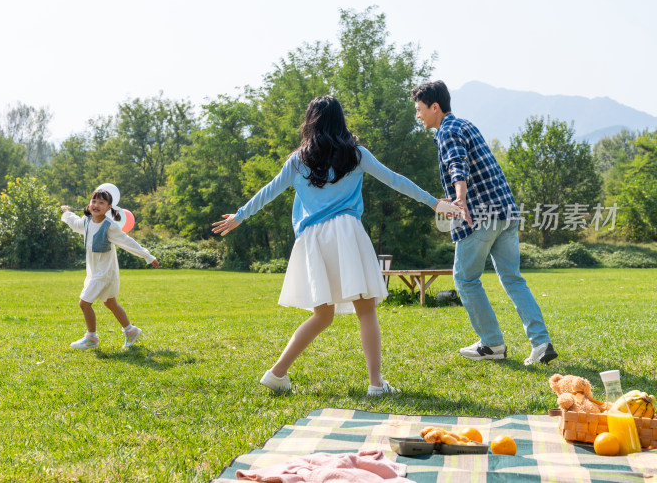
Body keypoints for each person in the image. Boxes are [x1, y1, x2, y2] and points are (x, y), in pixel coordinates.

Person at [213, 95, 461, 395]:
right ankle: (375, 384)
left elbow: (268, 192)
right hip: (346, 233)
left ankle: (277, 373)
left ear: (311, 121)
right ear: (339, 120)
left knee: (322, 315)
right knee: (366, 311)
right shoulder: (355, 154)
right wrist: (434, 203)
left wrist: (239, 217)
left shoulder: (298, 160)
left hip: (313, 240)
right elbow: (396, 181)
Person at [411, 80, 558, 365]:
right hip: (506, 213)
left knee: (465, 279)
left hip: (479, 215)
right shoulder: (466, 124)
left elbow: (457, 163)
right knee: (513, 279)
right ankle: (541, 343)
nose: (418, 115)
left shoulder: (448, 131)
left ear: (435, 107)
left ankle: (492, 344)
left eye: (419, 110)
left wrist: (460, 199)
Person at [60, 187, 159, 350]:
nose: (96, 204)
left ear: (108, 208)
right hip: (94, 273)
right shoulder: (87, 221)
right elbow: (75, 223)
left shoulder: (109, 227)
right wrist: (67, 213)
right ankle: (130, 331)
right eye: (94, 201)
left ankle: (91, 338)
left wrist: (148, 256)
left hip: (105, 273)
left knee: (84, 303)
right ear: (89, 204)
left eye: (101, 202)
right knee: (110, 303)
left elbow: (128, 242)